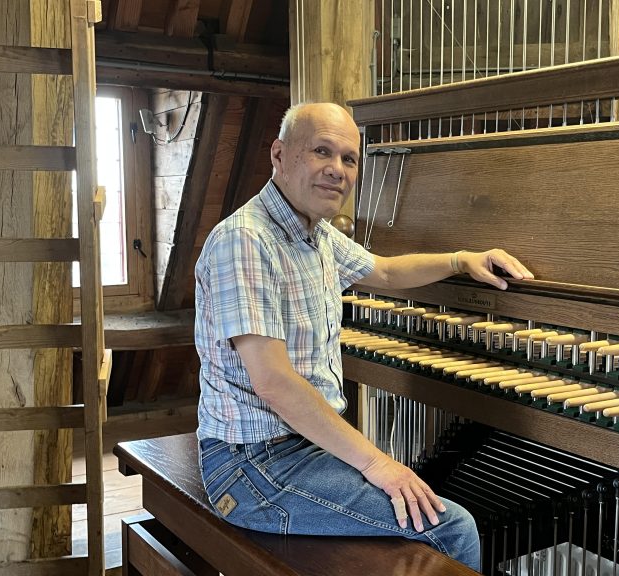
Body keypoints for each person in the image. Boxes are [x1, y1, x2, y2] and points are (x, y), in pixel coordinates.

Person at [194, 102, 534, 572]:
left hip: (295, 448)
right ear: (279, 154)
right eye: (321, 152)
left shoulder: (315, 233)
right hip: (253, 467)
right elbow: (273, 383)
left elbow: (388, 271)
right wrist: (377, 464)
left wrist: (461, 259)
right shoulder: (247, 240)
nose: (337, 170)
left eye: (349, 159)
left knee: (413, 498)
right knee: (451, 527)